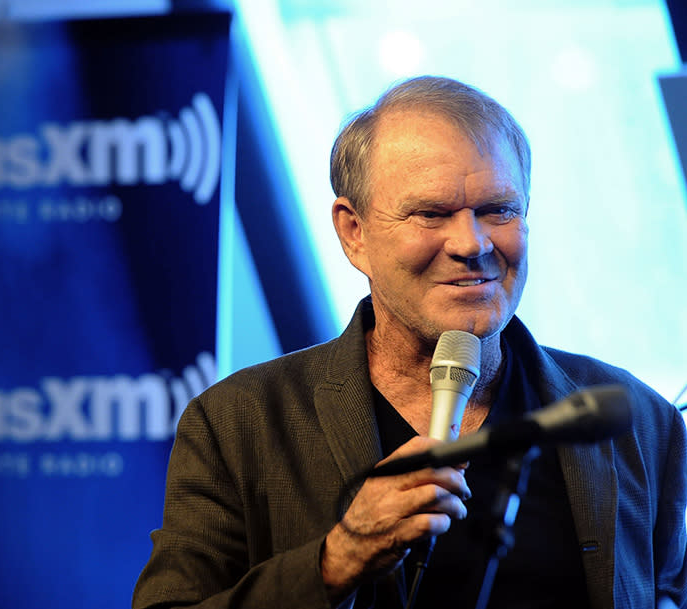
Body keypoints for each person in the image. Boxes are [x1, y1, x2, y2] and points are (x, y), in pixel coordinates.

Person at [131, 75, 687, 608]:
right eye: (431, 214)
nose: (472, 243)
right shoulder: (240, 423)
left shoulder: (636, 417)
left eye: (498, 210)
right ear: (354, 233)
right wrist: (334, 562)